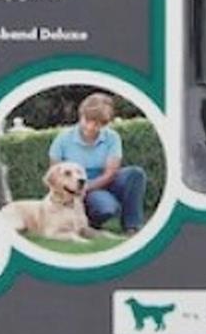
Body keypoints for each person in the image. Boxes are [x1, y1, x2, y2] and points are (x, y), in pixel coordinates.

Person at [48, 92, 146, 234]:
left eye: (99, 124)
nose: (91, 127)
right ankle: (89, 221)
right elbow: (55, 175)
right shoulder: (63, 139)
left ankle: (132, 225)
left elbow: (111, 173)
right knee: (106, 208)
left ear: (105, 123)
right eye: (87, 120)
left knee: (135, 173)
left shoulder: (112, 137)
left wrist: (85, 187)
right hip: (76, 184)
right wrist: (74, 191)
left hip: (103, 180)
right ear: (81, 115)